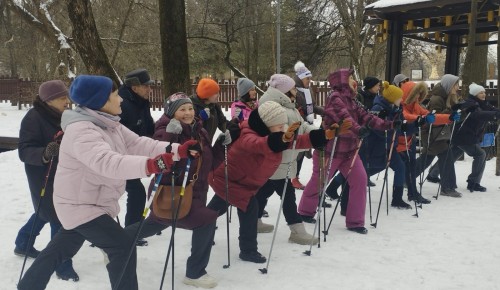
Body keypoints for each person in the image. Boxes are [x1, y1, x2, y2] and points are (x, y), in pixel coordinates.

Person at [17, 75, 196, 290]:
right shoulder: (82, 130)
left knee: (60, 248)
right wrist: (151, 165)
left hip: (92, 202)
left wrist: (176, 150)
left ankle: (28, 285)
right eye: (114, 95)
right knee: (122, 246)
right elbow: (107, 163)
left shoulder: (109, 124)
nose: (120, 99)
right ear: (100, 101)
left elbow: (139, 143)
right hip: (80, 205)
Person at [208, 101, 335, 262]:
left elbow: (296, 141)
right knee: (239, 210)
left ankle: (208, 230)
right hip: (229, 181)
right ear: (266, 124)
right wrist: (281, 139)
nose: (282, 129)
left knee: (220, 210)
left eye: (284, 126)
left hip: (243, 183)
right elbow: (259, 145)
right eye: (278, 126)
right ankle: (244, 249)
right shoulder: (248, 135)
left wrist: (322, 136)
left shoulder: (272, 135)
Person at [125, 92, 220, 288]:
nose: (188, 113)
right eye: (181, 109)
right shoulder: (164, 130)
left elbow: (207, 162)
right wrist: (172, 136)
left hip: (195, 192)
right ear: (171, 112)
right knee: (206, 220)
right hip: (172, 191)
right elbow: (163, 155)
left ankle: (114, 241)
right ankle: (195, 273)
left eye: (190, 108)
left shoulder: (199, 131)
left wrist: (223, 145)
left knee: (155, 223)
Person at [298, 69, 395, 234]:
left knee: (360, 180)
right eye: (350, 77)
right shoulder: (334, 98)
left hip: (349, 151)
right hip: (331, 150)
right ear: (342, 80)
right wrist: (358, 130)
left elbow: (366, 116)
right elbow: (344, 118)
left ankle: (355, 222)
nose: (353, 80)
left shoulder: (352, 100)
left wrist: (390, 124)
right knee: (320, 181)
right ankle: (305, 211)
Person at [15, 80, 78, 281]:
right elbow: (24, 150)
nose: (67, 101)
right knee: (58, 217)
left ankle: (23, 243)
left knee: (44, 211)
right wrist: (45, 153)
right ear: (49, 100)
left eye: (67, 97)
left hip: (65, 173)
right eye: (62, 98)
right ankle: (62, 264)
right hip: (44, 176)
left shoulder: (65, 116)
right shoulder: (33, 118)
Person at [254, 74, 321, 243]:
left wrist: (315, 132)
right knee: (287, 195)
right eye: (292, 88)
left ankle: (253, 220)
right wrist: (308, 141)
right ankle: (296, 231)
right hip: (278, 158)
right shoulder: (275, 109)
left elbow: (301, 125)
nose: (296, 91)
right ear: (283, 91)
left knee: (264, 191)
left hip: (285, 160)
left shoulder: (289, 106)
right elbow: (286, 136)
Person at [118, 68, 155, 246]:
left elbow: (148, 127)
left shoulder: (141, 102)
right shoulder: (122, 104)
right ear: (134, 88)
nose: (149, 89)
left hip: (132, 157)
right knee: (136, 192)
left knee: (133, 192)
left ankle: (128, 231)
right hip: (117, 158)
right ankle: (130, 232)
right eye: (145, 86)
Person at [397, 81, 449, 204]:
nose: (417, 97)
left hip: (409, 141)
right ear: (409, 94)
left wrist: (449, 118)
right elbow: (406, 116)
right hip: (397, 143)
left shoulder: (416, 106)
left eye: (420, 94)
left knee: (411, 167)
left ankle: (412, 193)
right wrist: (421, 119)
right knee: (383, 167)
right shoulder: (400, 106)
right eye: (415, 94)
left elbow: (430, 116)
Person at [415, 74, 462, 197]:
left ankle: (406, 177)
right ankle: (448, 187)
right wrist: (451, 113)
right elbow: (434, 118)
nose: (457, 87)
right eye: (455, 84)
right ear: (449, 85)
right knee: (446, 156)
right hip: (433, 133)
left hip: (440, 133)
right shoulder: (437, 99)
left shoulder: (448, 97)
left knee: (426, 158)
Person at [448, 83, 499, 192]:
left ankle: (433, 174)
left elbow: (492, 109)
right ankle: (473, 182)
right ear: (475, 94)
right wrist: (494, 115)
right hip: (464, 136)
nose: (484, 94)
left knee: (450, 156)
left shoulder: (483, 103)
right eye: (481, 92)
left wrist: (497, 113)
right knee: (481, 155)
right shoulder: (469, 103)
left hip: (466, 136)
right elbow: (477, 115)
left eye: (484, 92)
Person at [292, 61, 325, 190]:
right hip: (299, 124)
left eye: (310, 78)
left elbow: (313, 106)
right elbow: (293, 107)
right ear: (300, 78)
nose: (309, 81)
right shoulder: (294, 90)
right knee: (298, 152)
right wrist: (301, 113)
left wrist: (324, 111)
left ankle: (295, 176)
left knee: (303, 149)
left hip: (309, 123)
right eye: (307, 78)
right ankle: (293, 178)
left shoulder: (308, 90)